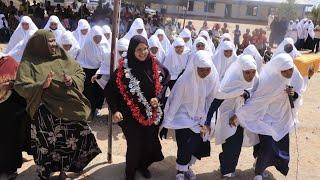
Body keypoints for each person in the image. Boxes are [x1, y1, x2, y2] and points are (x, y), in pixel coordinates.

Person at [14, 29, 101, 180]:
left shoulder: (62, 56)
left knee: (71, 137)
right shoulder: (29, 62)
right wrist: (42, 85)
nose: (54, 44)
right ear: (40, 44)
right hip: (43, 108)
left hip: (66, 104)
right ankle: (45, 173)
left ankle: (63, 170)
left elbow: (79, 72)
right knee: (46, 143)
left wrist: (71, 80)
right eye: (50, 41)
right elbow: (21, 86)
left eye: (54, 40)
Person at [104, 35, 170, 180]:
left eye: (145, 49)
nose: (143, 52)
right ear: (132, 50)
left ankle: (143, 166)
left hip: (150, 114)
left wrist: (158, 98)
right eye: (139, 50)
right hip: (130, 116)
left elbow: (166, 79)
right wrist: (115, 110)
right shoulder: (123, 70)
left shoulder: (154, 63)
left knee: (148, 143)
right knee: (135, 145)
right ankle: (130, 173)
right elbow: (109, 90)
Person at [230, 53, 304, 180]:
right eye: (284, 71)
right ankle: (258, 172)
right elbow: (256, 102)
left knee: (279, 148)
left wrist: (294, 94)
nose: (288, 73)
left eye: (290, 70)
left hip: (282, 119)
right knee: (267, 146)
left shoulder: (294, 76)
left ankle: (260, 166)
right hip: (266, 119)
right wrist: (238, 116)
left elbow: (299, 93)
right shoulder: (269, 82)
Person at [161, 50, 219, 180]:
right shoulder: (185, 80)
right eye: (201, 70)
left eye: (207, 69)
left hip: (200, 117)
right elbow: (175, 102)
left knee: (196, 145)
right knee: (184, 144)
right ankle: (180, 172)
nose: (204, 73)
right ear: (195, 66)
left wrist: (209, 122)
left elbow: (211, 101)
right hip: (182, 117)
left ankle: (186, 168)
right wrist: (166, 124)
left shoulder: (212, 78)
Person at [204, 54, 258, 179]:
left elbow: (255, 100)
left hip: (243, 118)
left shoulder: (256, 81)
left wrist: (240, 114)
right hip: (227, 119)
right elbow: (216, 101)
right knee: (231, 146)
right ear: (241, 71)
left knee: (236, 147)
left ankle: (226, 164)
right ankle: (227, 172)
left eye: (253, 72)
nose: (250, 75)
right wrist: (207, 121)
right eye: (247, 72)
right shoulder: (231, 82)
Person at [0, 55, 27, 180]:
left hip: (10, 112)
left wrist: (11, 84)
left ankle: (10, 170)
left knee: (9, 141)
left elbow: (23, 84)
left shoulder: (10, 62)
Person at [77, 26, 110, 118]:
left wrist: (101, 70)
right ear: (91, 36)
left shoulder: (105, 44)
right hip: (88, 70)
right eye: (95, 37)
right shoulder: (87, 44)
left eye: (99, 37)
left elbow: (107, 59)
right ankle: (89, 110)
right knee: (89, 91)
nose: (97, 39)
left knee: (99, 91)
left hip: (101, 70)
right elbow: (81, 58)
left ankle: (97, 109)